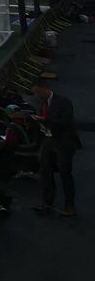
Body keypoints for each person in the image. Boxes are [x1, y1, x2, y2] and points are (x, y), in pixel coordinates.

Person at [34, 78, 79, 217]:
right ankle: (47, 203)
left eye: (38, 92)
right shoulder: (44, 104)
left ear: (46, 88)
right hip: (49, 140)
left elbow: (66, 122)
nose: (37, 95)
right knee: (45, 172)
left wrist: (44, 120)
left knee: (65, 174)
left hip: (64, 143)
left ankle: (69, 205)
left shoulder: (63, 102)